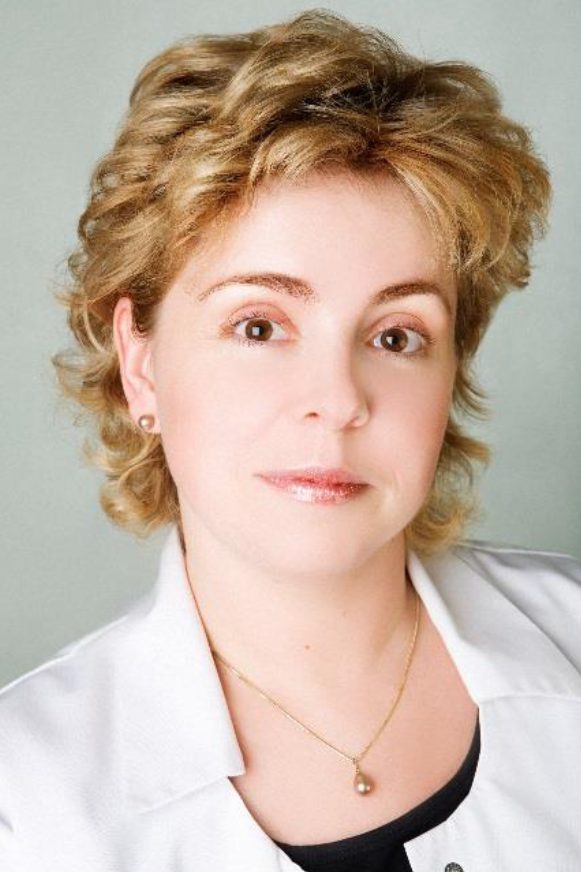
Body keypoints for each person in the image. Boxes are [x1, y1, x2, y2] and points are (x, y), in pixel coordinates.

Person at [0, 8, 579, 872]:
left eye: (395, 335)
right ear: (141, 363)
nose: (337, 401)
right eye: (260, 326)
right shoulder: (23, 800)